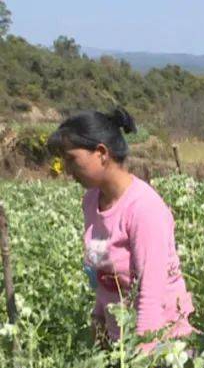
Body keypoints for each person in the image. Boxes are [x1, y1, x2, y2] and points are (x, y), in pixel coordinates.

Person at [48, 108, 195, 351]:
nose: (66, 169)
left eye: (71, 159)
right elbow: (102, 269)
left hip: (163, 345)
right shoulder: (91, 201)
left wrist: (141, 365)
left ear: (102, 153)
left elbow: (151, 295)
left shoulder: (144, 209)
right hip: (120, 341)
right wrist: (99, 318)